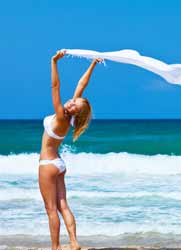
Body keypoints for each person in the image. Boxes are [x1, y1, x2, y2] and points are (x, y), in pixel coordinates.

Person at [39, 50, 102, 250]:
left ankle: (56, 248)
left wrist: (54, 62)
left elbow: (55, 86)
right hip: (59, 164)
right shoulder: (72, 118)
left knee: (51, 210)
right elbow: (81, 86)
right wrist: (93, 64)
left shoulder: (61, 116)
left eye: (75, 103)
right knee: (63, 205)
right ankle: (74, 242)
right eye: (74, 100)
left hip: (48, 164)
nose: (72, 101)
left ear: (75, 110)